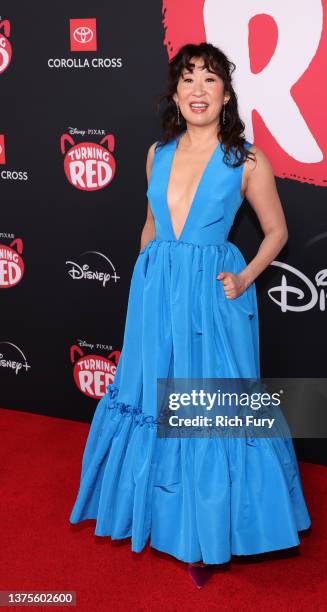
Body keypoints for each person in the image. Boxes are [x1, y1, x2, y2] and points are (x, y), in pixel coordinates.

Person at [69, 42, 311, 588]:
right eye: (187, 80)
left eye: (209, 81)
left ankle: (208, 534)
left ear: (226, 95)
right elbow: (151, 227)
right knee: (150, 397)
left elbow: (277, 232)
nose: (197, 91)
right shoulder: (157, 153)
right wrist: (143, 281)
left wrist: (245, 276)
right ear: (174, 94)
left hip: (211, 298)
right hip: (156, 295)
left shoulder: (245, 160)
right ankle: (156, 518)